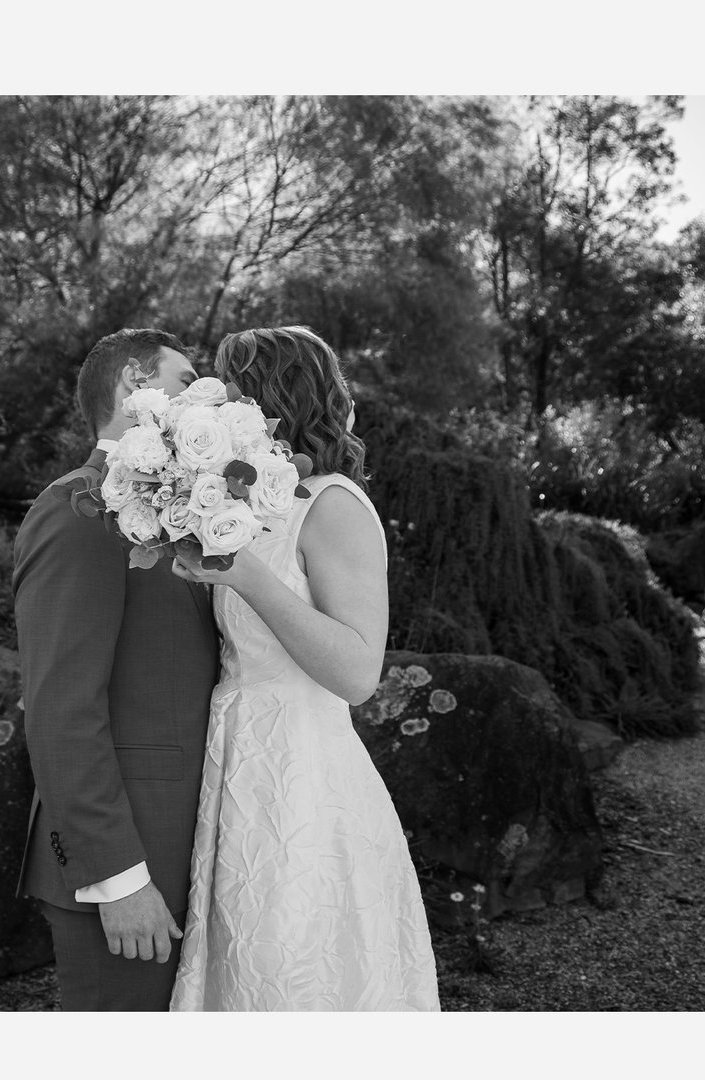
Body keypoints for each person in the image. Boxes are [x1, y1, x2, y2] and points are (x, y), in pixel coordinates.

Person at [166, 325, 440, 1011]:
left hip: (302, 775)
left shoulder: (333, 503)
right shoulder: (253, 502)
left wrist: (249, 578)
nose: (216, 402)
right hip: (237, 757)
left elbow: (357, 672)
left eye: (230, 389)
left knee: (289, 965)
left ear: (272, 399)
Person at [12, 327, 221, 1011]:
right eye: (186, 380)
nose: (206, 398)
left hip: (199, 843)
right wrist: (120, 879)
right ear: (136, 380)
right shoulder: (77, 509)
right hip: (131, 863)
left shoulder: (189, 510)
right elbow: (61, 711)